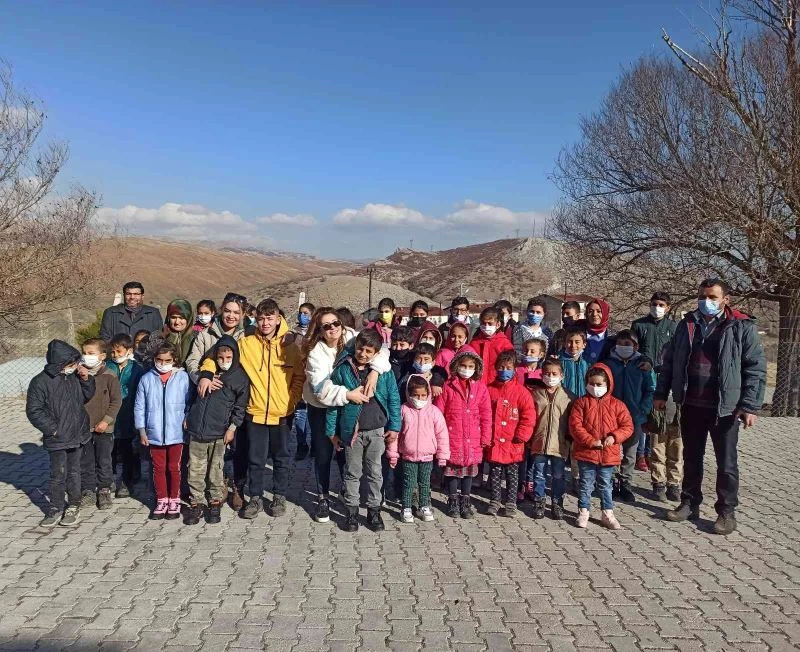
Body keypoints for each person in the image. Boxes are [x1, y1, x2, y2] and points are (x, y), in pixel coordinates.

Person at [656, 278, 766, 535]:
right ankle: (689, 502)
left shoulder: (740, 326)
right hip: (691, 403)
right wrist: (661, 393)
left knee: (726, 463)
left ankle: (726, 511)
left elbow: (755, 368)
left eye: (713, 297)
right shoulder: (687, 324)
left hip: (724, 409)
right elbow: (669, 361)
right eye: (703, 296)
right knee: (691, 457)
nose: (707, 301)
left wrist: (749, 405)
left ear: (726, 299)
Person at [200, 299, 305, 520]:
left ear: (278, 319)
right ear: (256, 319)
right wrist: (207, 374)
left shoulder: (290, 346)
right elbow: (214, 356)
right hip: (254, 412)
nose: (265, 323)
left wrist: (292, 400)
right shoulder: (246, 343)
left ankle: (279, 495)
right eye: (261, 318)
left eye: (270, 318)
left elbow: (299, 376)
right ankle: (255, 497)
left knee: (281, 457)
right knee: (256, 459)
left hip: (282, 414)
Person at [302, 308, 390, 523]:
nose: (333, 328)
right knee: (323, 454)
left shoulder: (352, 337)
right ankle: (323, 497)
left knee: (347, 452)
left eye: (336, 323)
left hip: (351, 407)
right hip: (324, 408)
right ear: (320, 330)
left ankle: (346, 491)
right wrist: (348, 394)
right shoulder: (316, 353)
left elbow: (382, 351)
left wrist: (375, 371)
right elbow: (321, 389)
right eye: (326, 326)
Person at [326, 328, 401, 533]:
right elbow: (334, 404)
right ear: (355, 347)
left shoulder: (383, 372)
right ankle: (351, 512)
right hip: (352, 432)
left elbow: (394, 399)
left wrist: (394, 426)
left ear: (376, 353)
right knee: (352, 472)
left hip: (377, 431)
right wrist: (332, 432)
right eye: (361, 349)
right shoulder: (343, 370)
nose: (363, 354)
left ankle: (374, 510)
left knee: (375, 473)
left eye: (369, 351)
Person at [26, 340, 96, 527]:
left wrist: (86, 379)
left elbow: (87, 396)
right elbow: (34, 410)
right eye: (71, 364)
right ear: (60, 363)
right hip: (57, 437)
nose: (74, 367)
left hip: (77, 434)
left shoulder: (74, 378)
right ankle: (56, 507)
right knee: (58, 474)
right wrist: (52, 429)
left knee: (74, 472)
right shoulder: (40, 382)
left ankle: (73, 504)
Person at [184, 336, 249, 525]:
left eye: (229, 358)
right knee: (195, 468)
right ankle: (196, 503)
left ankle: (214, 501)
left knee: (216, 470)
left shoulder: (239, 377)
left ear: (235, 356)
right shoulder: (207, 371)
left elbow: (240, 408)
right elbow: (191, 397)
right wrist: (188, 415)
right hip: (197, 429)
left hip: (220, 432)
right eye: (221, 357)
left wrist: (232, 428)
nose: (225, 361)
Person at [569, 364, 633, 530]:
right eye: (592, 384)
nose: (595, 388)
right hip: (586, 452)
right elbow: (575, 427)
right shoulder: (581, 403)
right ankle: (583, 511)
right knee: (585, 484)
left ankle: (607, 513)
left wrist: (614, 436)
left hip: (608, 454)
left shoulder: (617, 405)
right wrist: (590, 441)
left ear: (608, 384)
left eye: (599, 385)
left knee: (606, 485)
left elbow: (627, 426)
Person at [631, 291, 680, 501]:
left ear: (668, 307)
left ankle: (674, 483)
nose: (657, 307)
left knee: (675, 438)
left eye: (661, 304)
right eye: (654, 303)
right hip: (647, 383)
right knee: (655, 432)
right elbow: (635, 351)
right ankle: (657, 481)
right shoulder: (639, 325)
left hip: (671, 386)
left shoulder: (676, 328)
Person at [134, 343, 192, 520]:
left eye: (167, 360)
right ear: (154, 359)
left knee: (174, 468)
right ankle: (162, 500)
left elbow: (190, 402)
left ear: (174, 360)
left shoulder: (183, 378)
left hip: (176, 434)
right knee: (158, 468)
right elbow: (139, 406)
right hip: (154, 433)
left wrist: (187, 418)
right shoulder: (146, 379)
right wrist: (142, 431)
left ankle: (174, 499)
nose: (163, 363)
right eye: (159, 360)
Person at [434, 350, 492, 519]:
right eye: (463, 366)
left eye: (470, 366)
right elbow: (439, 414)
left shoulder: (481, 388)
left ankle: (465, 500)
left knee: (469, 471)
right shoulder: (448, 387)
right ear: (456, 366)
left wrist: (485, 437)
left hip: (473, 438)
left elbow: (486, 415)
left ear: (476, 368)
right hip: (453, 437)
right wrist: (440, 438)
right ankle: (452, 499)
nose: (466, 369)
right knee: (452, 471)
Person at [387, 375, 450, 523]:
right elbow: (395, 434)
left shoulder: (434, 412)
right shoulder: (403, 410)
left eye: (423, 395)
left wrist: (442, 455)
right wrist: (393, 454)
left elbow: (442, 434)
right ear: (409, 394)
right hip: (408, 456)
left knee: (425, 483)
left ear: (428, 394)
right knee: (408, 482)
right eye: (415, 395)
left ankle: (424, 506)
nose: (419, 398)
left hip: (427, 456)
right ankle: (406, 507)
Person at [605, 330, 655, 504]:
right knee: (611, 451)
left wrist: (643, 410)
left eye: (628, 344)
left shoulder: (642, 365)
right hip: (611, 417)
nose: (623, 347)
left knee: (630, 454)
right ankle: (610, 484)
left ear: (636, 347)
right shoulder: (608, 364)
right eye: (620, 344)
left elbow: (650, 389)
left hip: (635, 417)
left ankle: (626, 485)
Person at [485, 351, 536, 517]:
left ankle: (511, 502)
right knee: (495, 473)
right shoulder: (490, 390)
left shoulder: (521, 392)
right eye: (501, 367)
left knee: (513, 475)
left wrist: (522, 435)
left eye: (508, 367)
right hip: (495, 442)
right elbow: (484, 413)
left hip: (513, 442)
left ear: (515, 369)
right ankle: (494, 500)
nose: (504, 370)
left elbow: (529, 415)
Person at [79, 338, 122, 510]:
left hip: (104, 428)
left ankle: (104, 489)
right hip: (84, 427)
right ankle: (88, 490)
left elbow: (116, 401)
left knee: (104, 460)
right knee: (85, 461)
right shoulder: (79, 375)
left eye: (91, 354)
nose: (86, 357)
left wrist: (106, 421)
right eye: (84, 353)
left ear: (102, 356)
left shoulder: (109, 375)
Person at [528, 359, 573, 520]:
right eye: (547, 373)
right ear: (541, 375)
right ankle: (539, 501)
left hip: (559, 444)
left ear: (561, 375)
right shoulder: (535, 394)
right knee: (539, 474)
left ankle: (557, 502)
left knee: (558, 475)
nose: (550, 377)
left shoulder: (568, 397)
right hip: (539, 441)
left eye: (554, 374)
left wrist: (570, 439)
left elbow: (572, 421)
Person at [107, 334, 144, 498]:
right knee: (111, 451)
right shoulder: (107, 367)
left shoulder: (137, 369)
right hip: (110, 415)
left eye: (119, 351)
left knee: (129, 450)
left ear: (129, 351)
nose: (115, 355)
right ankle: (110, 479)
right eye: (113, 352)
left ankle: (127, 481)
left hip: (129, 414)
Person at [185, 294, 247, 383]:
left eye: (236, 312)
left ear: (243, 314)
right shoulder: (205, 334)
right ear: (221, 310)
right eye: (227, 311)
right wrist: (202, 379)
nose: (230, 316)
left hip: (236, 387)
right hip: (208, 387)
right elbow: (192, 361)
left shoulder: (246, 336)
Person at [99, 281, 164, 341]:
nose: (132, 297)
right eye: (128, 294)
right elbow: (104, 337)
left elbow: (158, 337)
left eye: (136, 294)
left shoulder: (153, 313)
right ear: (124, 295)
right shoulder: (111, 313)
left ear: (142, 296)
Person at [469, 306, 515, 385]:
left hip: (496, 385)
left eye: (490, 323)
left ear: (498, 324)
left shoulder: (505, 344)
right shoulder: (474, 343)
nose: (486, 326)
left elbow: (510, 367)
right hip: (477, 385)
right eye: (484, 323)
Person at [162, 299, 195, 367]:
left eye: (181, 318)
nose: (177, 322)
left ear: (188, 319)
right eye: (173, 317)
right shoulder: (160, 335)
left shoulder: (196, 337)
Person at [583, 298, 616, 364]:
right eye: (590, 311)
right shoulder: (578, 332)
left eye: (599, 311)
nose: (594, 314)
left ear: (605, 313)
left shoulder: (614, 336)